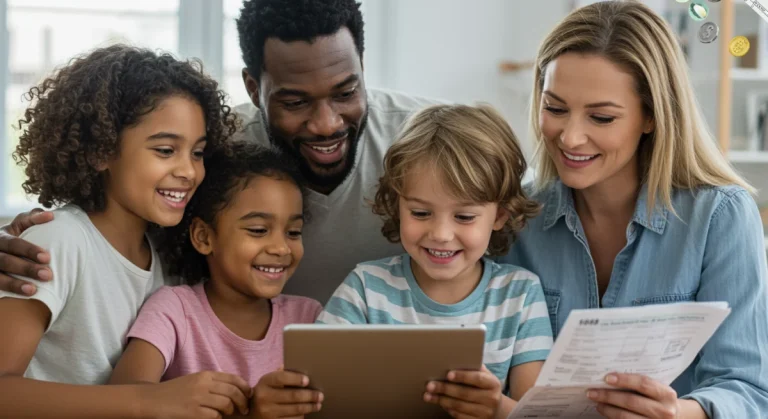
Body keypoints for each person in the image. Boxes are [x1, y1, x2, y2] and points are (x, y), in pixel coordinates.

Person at [499, 2, 768, 418]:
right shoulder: (515, 217)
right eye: (555, 108)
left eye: (601, 117)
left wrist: (676, 413)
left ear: (651, 116)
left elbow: (749, 391)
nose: (570, 137)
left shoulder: (720, 216)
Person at [0, 44, 256, 419]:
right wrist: (147, 400)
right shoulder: (60, 240)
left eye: (198, 152)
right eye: (166, 150)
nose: (189, 171)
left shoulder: (168, 257)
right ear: (100, 151)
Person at [318, 104, 552, 419]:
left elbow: (535, 414)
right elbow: (320, 391)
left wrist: (496, 407)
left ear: (499, 216)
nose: (440, 234)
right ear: (397, 205)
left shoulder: (520, 294)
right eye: (420, 213)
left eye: (464, 217)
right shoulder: (365, 288)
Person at [109, 141, 325, 418]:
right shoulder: (174, 310)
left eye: (293, 232)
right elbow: (123, 399)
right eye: (258, 230)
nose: (281, 248)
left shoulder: (309, 318)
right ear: (204, 237)